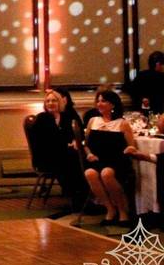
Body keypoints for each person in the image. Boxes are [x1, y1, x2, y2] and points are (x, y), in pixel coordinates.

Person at [82, 90, 153, 226]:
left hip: (116, 160)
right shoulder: (93, 121)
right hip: (96, 160)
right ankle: (110, 208)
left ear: (112, 104)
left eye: (103, 101)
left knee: (106, 173)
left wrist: (130, 149)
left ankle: (122, 210)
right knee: (90, 173)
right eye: (98, 101)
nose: (99, 104)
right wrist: (89, 154)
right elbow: (86, 144)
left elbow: (131, 146)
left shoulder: (122, 123)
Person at [28, 89, 86, 209]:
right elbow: (44, 143)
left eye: (54, 100)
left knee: (79, 159)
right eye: (48, 101)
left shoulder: (65, 117)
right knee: (71, 160)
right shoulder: (41, 118)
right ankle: (77, 198)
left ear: (60, 102)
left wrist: (74, 141)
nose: (50, 103)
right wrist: (66, 145)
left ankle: (83, 197)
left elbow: (73, 135)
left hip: (64, 154)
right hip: (46, 157)